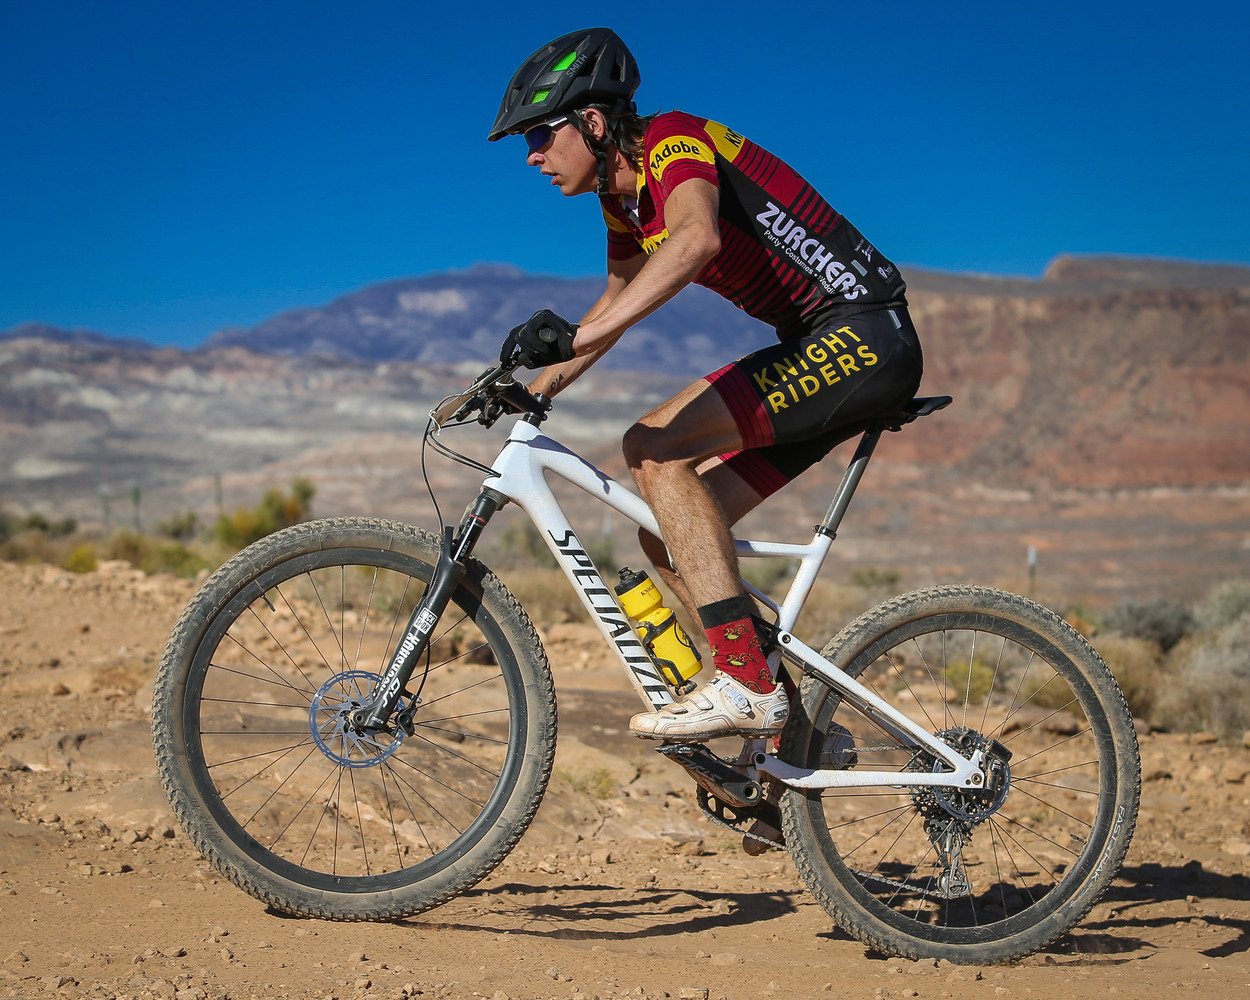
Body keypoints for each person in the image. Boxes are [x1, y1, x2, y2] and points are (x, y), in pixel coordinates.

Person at [489, 27, 923, 743]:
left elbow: (695, 239)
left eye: (539, 134)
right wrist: (532, 387)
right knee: (668, 535)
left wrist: (579, 338)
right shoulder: (620, 201)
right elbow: (614, 303)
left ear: (591, 121)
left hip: (865, 337)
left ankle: (746, 685)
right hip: (823, 349)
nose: (532, 156)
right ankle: (784, 740)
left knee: (653, 447)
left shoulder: (674, 142)